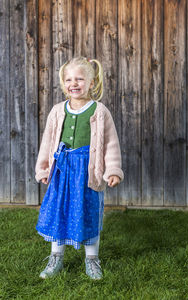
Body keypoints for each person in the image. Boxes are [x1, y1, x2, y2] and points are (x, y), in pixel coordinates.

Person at [35, 56, 124, 280]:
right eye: (69, 79)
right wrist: (44, 169)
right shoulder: (57, 111)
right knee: (60, 211)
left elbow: (111, 144)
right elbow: (48, 142)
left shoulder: (99, 111)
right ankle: (56, 256)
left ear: (92, 83)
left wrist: (113, 170)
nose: (74, 84)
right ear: (63, 83)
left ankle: (92, 259)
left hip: (88, 172)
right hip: (62, 171)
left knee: (89, 211)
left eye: (80, 79)